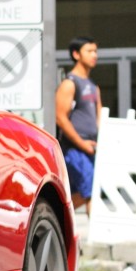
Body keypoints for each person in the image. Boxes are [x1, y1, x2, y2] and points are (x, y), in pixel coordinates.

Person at [55, 36, 102, 215]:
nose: (94, 55)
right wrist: (82, 145)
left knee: (79, 193)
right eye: (89, 51)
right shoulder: (70, 83)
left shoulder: (93, 85)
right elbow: (61, 118)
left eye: (95, 51)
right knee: (89, 193)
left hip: (92, 147)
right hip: (75, 150)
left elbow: (99, 116)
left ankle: (58, 223)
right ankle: (94, 239)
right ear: (76, 54)